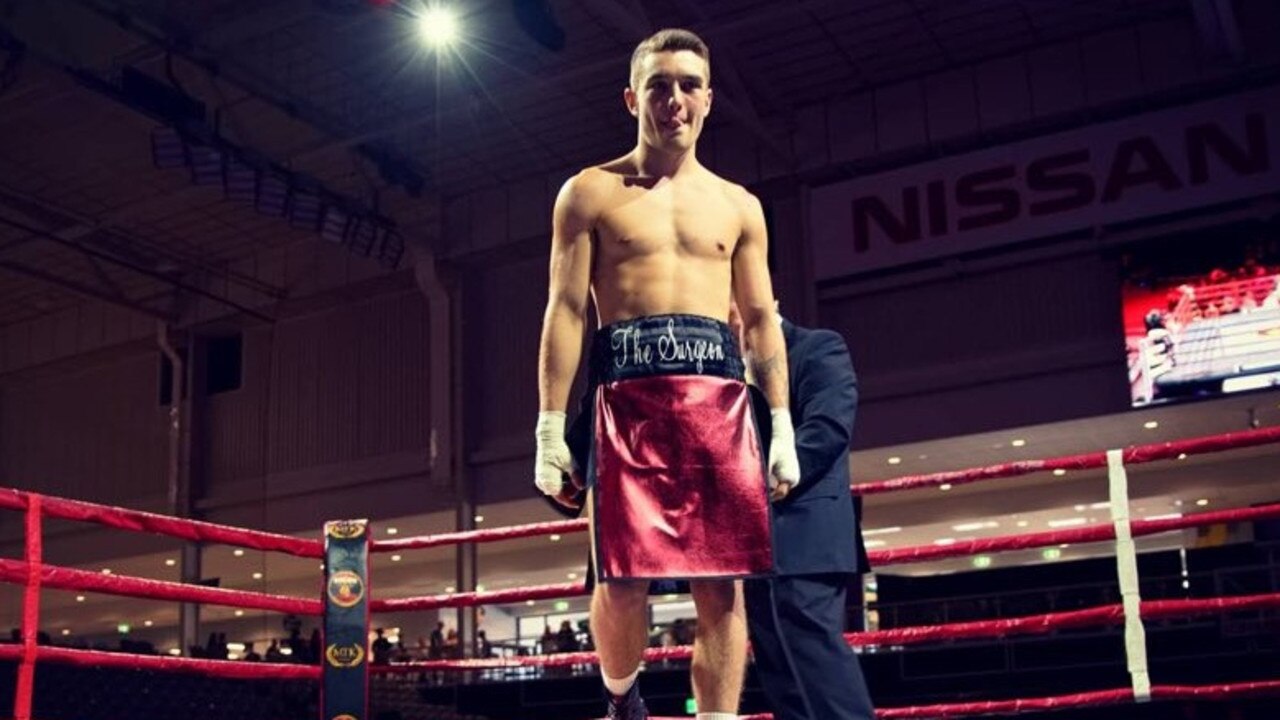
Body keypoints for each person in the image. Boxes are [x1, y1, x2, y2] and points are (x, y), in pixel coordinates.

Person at [532, 27, 800, 720]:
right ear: (631, 98)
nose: (674, 99)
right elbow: (564, 309)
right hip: (626, 399)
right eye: (659, 85)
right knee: (622, 582)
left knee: (723, 589)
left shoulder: (741, 206)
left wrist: (784, 427)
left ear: (709, 100)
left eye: (687, 85)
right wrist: (549, 427)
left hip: (719, 400)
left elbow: (762, 317)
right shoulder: (589, 192)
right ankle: (622, 703)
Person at [735, 308, 876, 720]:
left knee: (818, 664)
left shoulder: (818, 347)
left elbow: (829, 428)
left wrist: (767, 479)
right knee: (780, 673)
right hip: (754, 543)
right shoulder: (728, 369)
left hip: (807, 534)